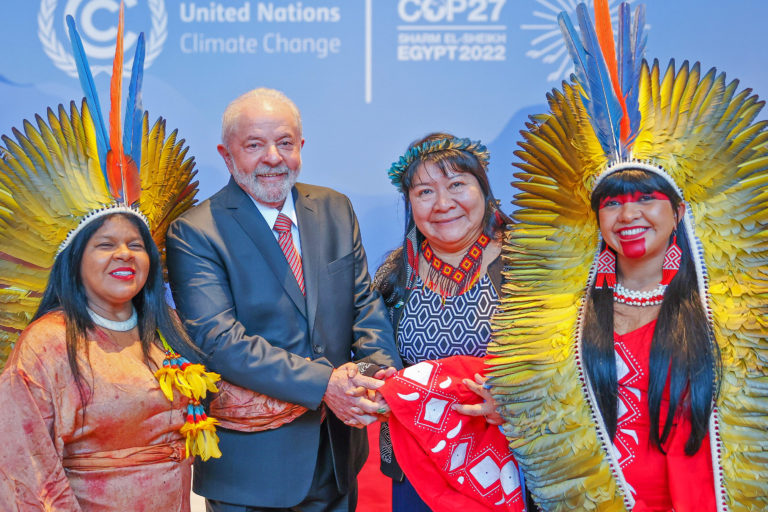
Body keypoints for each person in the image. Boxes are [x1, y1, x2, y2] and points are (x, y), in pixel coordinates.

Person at [487, 1, 768, 510]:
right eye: (611, 203)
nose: (628, 215)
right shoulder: (566, 318)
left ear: (679, 209)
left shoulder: (736, 314)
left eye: (645, 198)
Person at [0, 8, 214, 510]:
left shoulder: (164, 330)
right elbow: (26, 470)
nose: (125, 254)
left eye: (136, 244)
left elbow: (229, 400)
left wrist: (327, 385)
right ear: (73, 262)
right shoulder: (47, 346)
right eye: (105, 244)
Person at [165, 87, 401, 511]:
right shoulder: (196, 232)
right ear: (226, 154)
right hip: (252, 473)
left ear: (301, 147)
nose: (273, 157)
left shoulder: (335, 208)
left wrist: (375, 375)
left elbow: (364, 305)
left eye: (285, 143)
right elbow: (221, 342)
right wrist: (326, 384)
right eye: (254, 145)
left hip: (337, 458)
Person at [373, 133, 527, 511]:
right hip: (418, 468)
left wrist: (521, 400)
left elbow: (569, 355)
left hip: (519, 462)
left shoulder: (529, 262)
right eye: (425, 192)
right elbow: (369, 353)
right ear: (410, 202)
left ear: (483, 188)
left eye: (457, 184)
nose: (443, 204)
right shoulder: (395, 275)